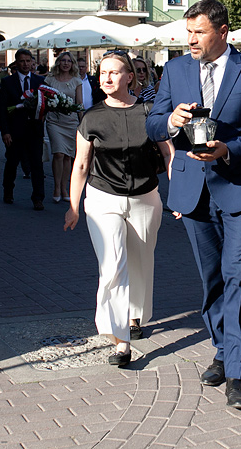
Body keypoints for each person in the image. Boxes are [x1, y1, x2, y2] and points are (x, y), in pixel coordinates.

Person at [146, 0, 241, 411]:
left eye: (199, 32)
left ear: (223, 32)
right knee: (213, 280)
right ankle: (222, 350)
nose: (191, 40)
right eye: (188, 33)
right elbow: (153, 122)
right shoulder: (175, 69)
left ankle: (238, 373)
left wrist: (228, 150)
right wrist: (171, 121)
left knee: (239, 275)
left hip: (240, 188)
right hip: (191, 191)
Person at [64, 51, 171, 367]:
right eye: (102, 73)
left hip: (145, 197)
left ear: (130, 77)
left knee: (140, 260)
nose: (106, 78)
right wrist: (73, 206)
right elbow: (81, 164)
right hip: (103, 199)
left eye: (114, 72)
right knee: (113, 264)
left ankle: (135, 316)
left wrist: (178, 195)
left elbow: (169, 155)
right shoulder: (92, 117)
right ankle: (120, 339)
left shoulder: (150, 112)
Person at [0, 48, 47, 210]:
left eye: (28, 61)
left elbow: (45, 104)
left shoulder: (40, 81)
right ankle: (8, 191)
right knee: (12, 162)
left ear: (32, 62)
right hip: (15, 130)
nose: (25, 64)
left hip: (34, 129)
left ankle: (38, 197)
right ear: (16, 63)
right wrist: (5, 132)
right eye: (22, 61)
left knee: (36, 165)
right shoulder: (7, 82)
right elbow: (2, 109)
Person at [46, 52, 91, 203]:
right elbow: (44, 100)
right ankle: (56, 187)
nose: (66, 63)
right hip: (54, 120)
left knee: (68, 156)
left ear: (72, 64)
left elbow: (79, 103)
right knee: (58, 153)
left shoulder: (77, 81)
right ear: (58, 63)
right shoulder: (50, 79)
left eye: (69, 61)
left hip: (71, 122)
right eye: (63, 61)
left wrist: (82, 123)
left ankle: (65, 188)